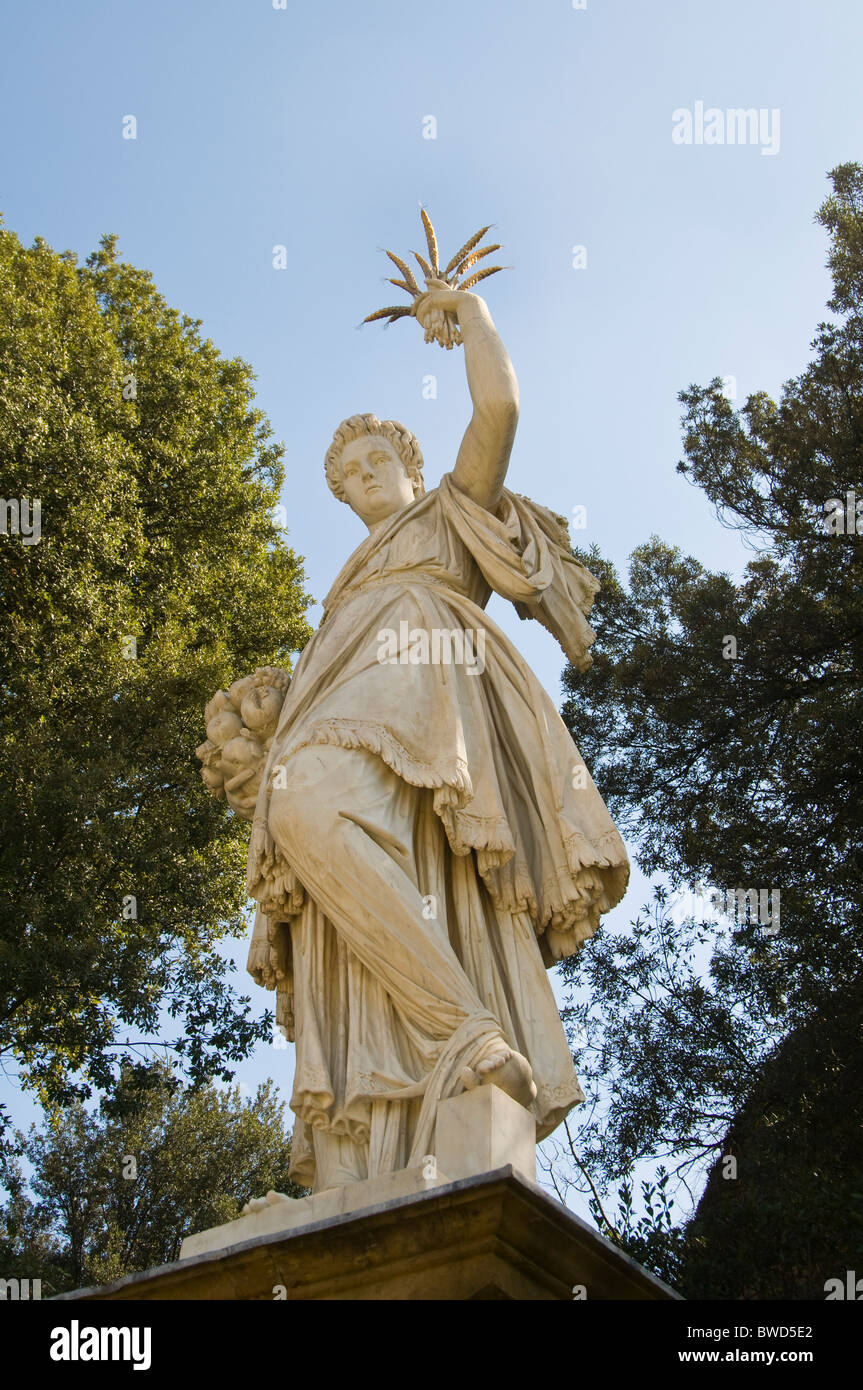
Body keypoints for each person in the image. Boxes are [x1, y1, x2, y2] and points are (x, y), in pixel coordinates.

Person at [245, 279, 629, 1191]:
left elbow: (498, 406)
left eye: (377, 459)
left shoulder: (448, 513)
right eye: (347, 478)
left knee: (312, 806)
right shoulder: (344, 593)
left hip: (429, 692)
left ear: (411, 466)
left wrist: (469, 316)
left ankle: (463, 1031)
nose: (363, 478)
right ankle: (377, 1139)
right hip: (350, 698)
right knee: (327, 865)